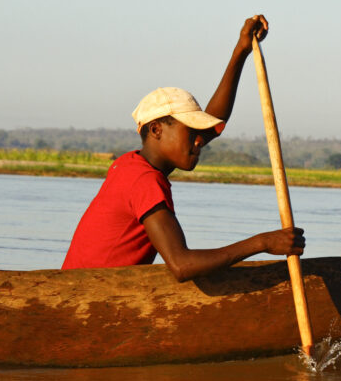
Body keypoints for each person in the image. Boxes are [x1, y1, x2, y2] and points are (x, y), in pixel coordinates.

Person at [63, 15, 305, 281]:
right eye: (191, 132)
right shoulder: (144, 180)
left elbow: (215, 122)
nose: (200, 141)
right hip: (91, 299)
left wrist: (241, 50)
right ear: (156, 130)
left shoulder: (128, 164)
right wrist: (262, 243)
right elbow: (181, 266)